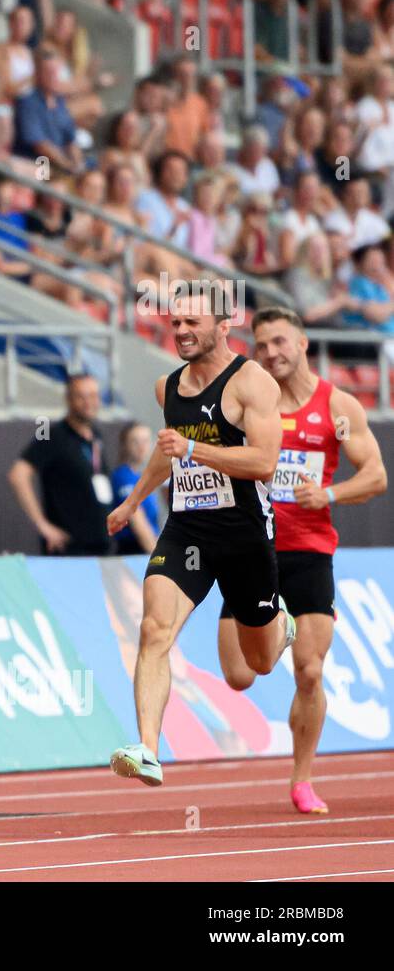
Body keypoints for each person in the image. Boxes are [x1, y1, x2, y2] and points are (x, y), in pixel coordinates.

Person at [106, 294, 298, 788]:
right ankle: (148, 749)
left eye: (193, 321)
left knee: (257, 663)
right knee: (153, 629)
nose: (182, 330)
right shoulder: (166, 387)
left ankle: (281, 623)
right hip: (187, 528)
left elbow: (263, 463)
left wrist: (194, 447)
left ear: (224, 324)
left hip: (242, 533)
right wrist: (132, 503)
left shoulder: (251, 381)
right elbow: (167, 452)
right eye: (176, 322)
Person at [215, 308, 387, 814]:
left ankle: (302, 779)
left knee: (309, 672)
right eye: (262, 346)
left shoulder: (338, 406)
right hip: (252, 549)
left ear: (303, 342)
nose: (270, 353)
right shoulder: (247, 399)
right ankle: (277, 623)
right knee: (240, 676)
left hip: (309, 552)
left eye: (279, 342)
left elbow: (376, 476)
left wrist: (328, 495)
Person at [7, 373, 113, 556]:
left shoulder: (96, 435)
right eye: (81, 396)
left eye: (94, 396)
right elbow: (18, 474)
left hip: (101, 545)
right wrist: (42, 525)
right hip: (69, 549)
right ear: (69, 399)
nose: (89, 402)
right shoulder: (50, 432)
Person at [111, 422, 162, 555]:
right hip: (134, 551)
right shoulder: (123, 477)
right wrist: (159, 559)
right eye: (135, 441)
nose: (141, 447)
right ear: (124, 445)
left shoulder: (141, 478)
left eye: (145, 441)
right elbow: (137, 521)